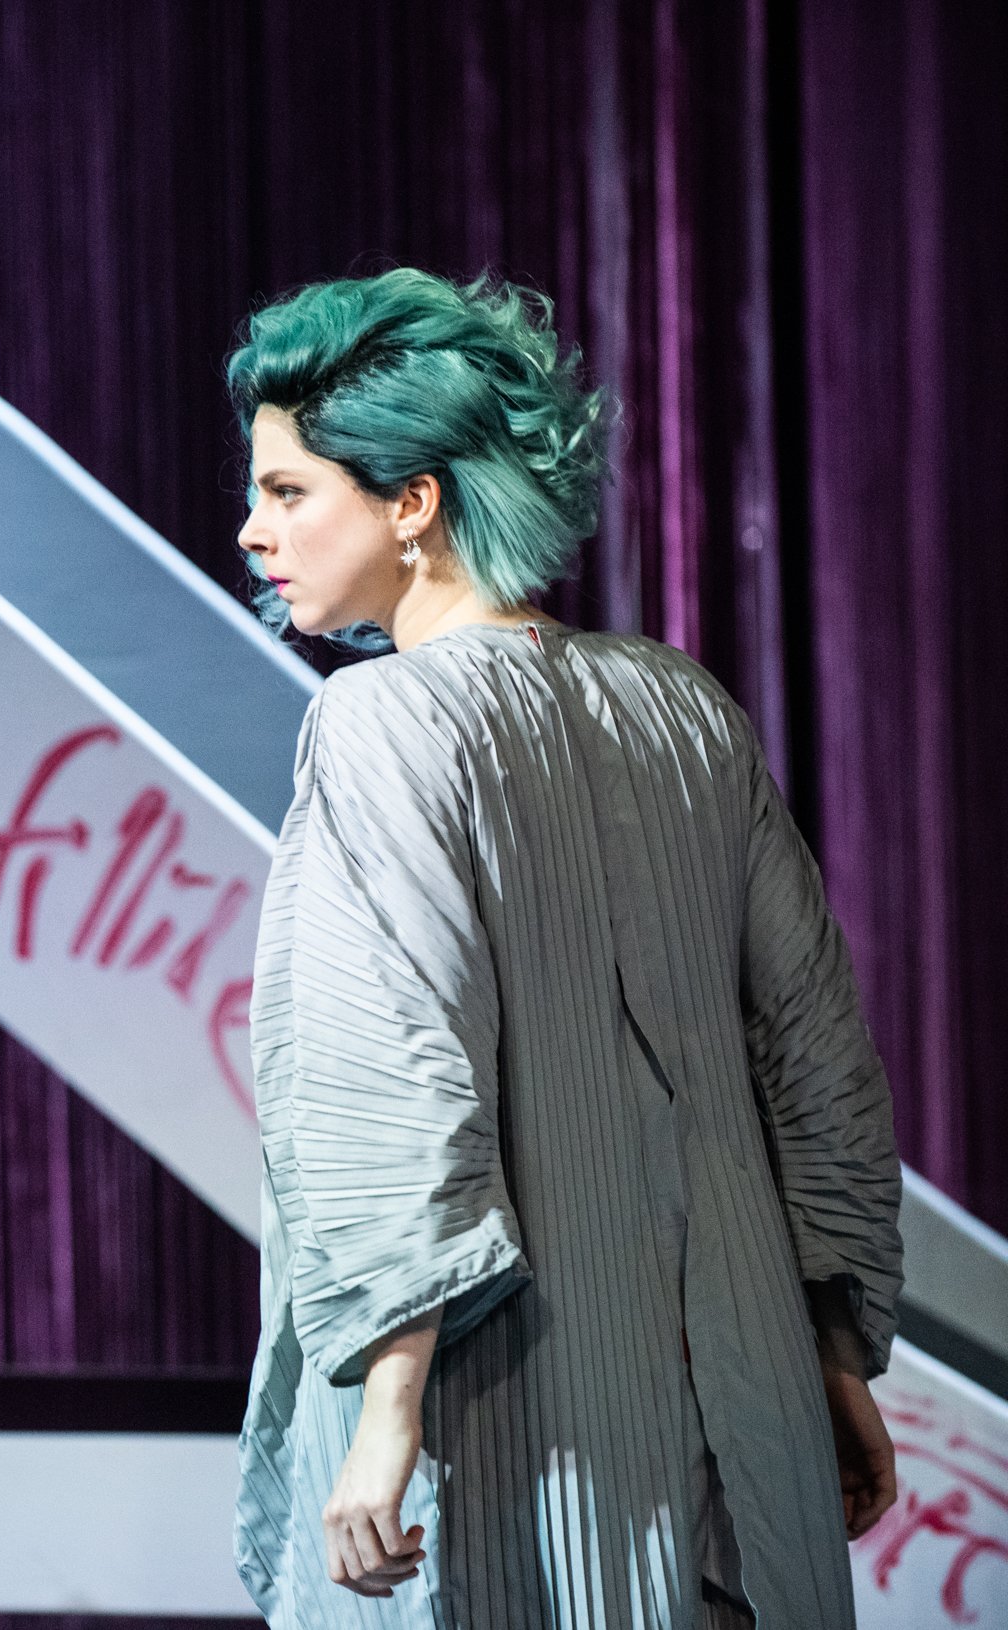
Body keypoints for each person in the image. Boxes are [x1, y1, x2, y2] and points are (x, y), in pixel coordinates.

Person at [228, 269, 903, 1630]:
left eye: (290, 490)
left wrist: (388, 1409)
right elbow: (819, 1058)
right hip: (744, 1390)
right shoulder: (683, 708)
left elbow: (387, 1074)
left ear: (413, 501)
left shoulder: (383, 725)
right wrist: (830, 1359)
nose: (253, 531)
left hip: (519, 1420)